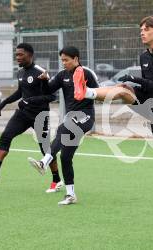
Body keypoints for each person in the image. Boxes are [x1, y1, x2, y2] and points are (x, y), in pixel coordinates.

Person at [77, 16, 153, 221]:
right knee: (123, 90)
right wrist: (134, 85)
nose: (142, 32)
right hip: (149, 100)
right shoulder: (144, 56)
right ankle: (86, 92)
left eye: (146, 29)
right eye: (141, 29)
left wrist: (136, 80)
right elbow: (147, 85)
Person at [0, 43, 62, 193]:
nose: (17, 57)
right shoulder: (20, 73)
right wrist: (4, 102)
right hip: (23, 114)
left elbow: (51, 96)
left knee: (45, 148)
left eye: (20, 55)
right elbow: (20, 92)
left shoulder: (41, 72)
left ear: (30, 55)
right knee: (6, 136)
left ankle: (56, 179)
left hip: (40, 116)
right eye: (16, 55)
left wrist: (31, 100)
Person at [27, 46, 98, 205]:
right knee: (65, 157)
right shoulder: (62, 75)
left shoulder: (86, 73)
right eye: (62, 60)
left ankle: (44, 162)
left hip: (85, 116)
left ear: (76, 59)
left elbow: (99, 93)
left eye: (66, 60)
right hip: (70, 118)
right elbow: (49, 91)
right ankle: (70, 194)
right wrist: (44, 81)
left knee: (62, 127)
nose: (63, 63)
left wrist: (85, 90)